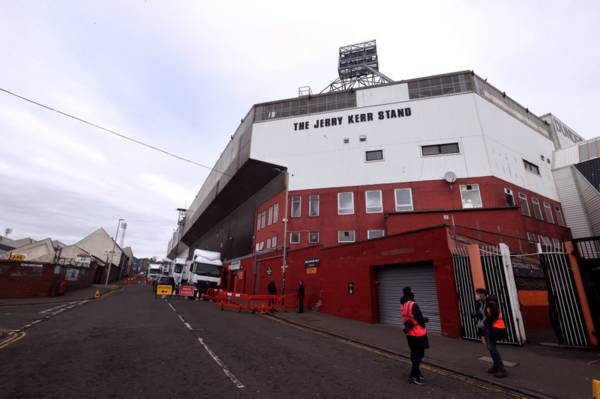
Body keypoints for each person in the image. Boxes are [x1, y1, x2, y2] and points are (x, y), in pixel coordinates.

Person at [475, 288, 508, 378]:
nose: (476, 295)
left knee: (492, 348)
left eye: (478, 294)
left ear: (483, 294)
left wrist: (485, 322)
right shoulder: (480, 303)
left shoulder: (491, 301)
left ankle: (501, 369)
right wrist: (477, 316)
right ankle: (495, 366)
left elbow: (494, 315)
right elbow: (483, 314)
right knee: (490, 348)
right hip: (486, 328)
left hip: (493, 328)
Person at [400, 286, 429, 385]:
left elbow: (409, 317)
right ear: (410, 293)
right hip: (418, 333)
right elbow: (419, 318)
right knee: (419, 354)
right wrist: (423, 321)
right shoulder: (413, 304)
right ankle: (413, 376)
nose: (414, 293)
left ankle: (417, 372)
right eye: (412, 291)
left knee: (414, 353)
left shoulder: (403, 304)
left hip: (409, 333)